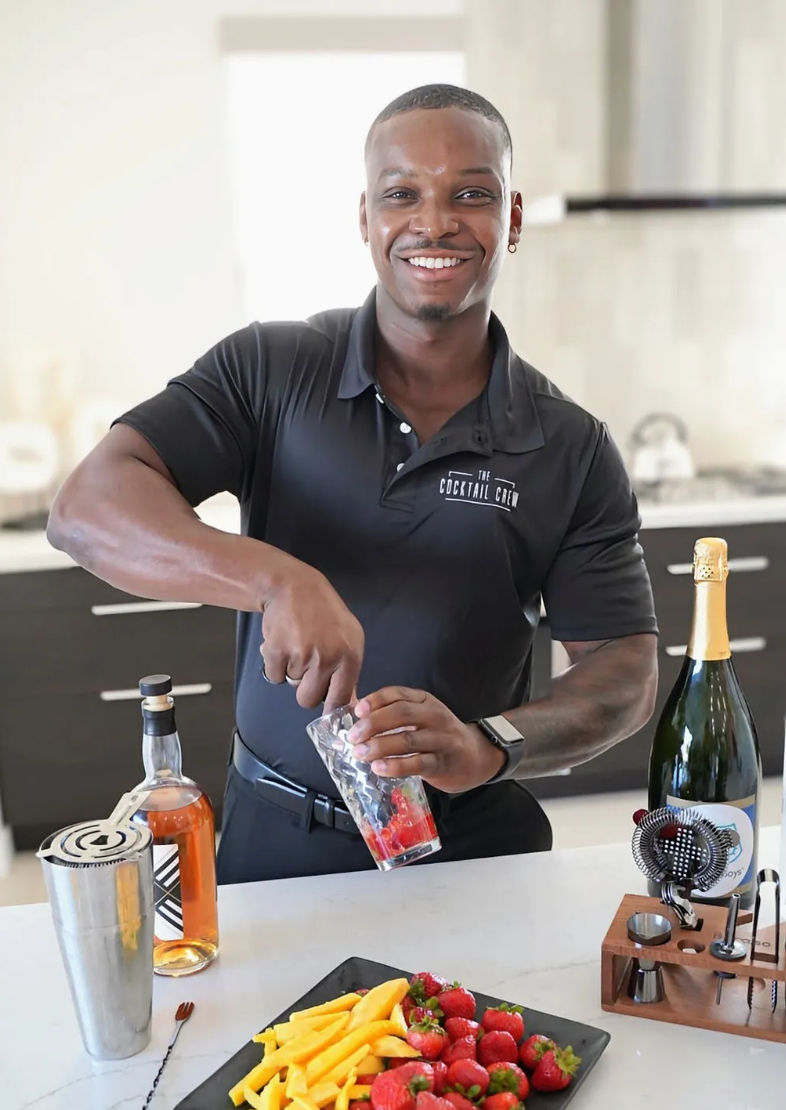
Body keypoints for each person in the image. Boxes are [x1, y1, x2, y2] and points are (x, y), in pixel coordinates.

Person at [47, 84, 658, 883]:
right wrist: (274, 581)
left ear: (511, 219)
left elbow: (625, 670)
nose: (433, 222)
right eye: (401, 194)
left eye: (470, 194)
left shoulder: (570, 445)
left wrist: (491, 743)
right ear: (365, 218)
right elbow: (86, 509)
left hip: (477, 850)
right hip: (276, 843)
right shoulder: (268, 367)